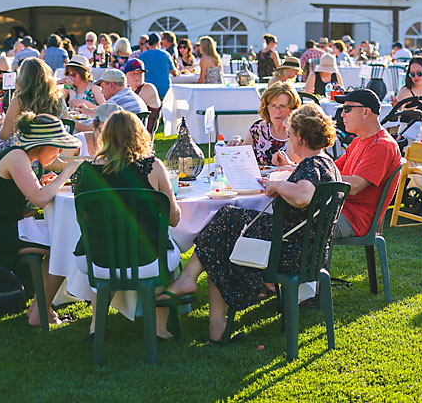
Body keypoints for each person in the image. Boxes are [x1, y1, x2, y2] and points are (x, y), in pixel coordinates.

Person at [161, 104, 342, 342]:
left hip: (288, 251)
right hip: (308, 250)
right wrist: (287, 174)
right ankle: (212, 317)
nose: (288, 137)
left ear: (299, 136)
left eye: (290, 133)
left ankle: (191, 284)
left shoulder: (311, 166)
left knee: (225, 221)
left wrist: (277, 185)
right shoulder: (326, 163)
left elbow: (303, 196)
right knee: (223, 231)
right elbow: (304, 190)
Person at [0, 113, 83, 327]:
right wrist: (67, 172)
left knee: (63, 239)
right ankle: (41, 311)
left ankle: (40, 307)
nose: (58, 153)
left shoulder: (18, 155)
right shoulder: (17, 156)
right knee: (65, 243)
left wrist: (44, 183)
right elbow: (38, 200)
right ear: (42, 144)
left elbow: (32, 193)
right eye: (56, 147)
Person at [72, 109, 182, 338]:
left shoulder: (85, 172)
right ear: (140, 135)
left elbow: (81, 220)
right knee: (169, 252)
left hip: (97, 260)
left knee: (104, 248)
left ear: (105, 136)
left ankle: (96, 325)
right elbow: (174, 219)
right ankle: (159, 328)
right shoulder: (153, 167)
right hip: (148, 259)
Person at [325, 89, 402, 239]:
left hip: (354, 220)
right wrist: (297, 167)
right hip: (339, 210)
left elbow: (354, 186)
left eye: (347, 109)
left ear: (366, 112)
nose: (342, 115)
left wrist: (317, 174)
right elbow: (330, 168)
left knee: (292, 221)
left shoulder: (382, 146)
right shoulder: (358, 141)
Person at [0, 58, 68, 145]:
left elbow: (4, 135)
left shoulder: (19, 101)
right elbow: (65, 123)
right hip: (54, 149)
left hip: (27, 152)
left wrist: (0, 125)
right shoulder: (59, 98)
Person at [234, 81, 301, 166]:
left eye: (282, 106)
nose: (277, 111)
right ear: (266, 107)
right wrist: (237, 141)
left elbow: (295, 161)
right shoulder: (258, 129)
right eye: (273, 106)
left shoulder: (299, 132)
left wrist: (291, 130)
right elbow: (242, 159)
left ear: (293, 108)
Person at [123, 59, 161, 134]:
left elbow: (131, 108)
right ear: (125, 75)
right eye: (133, 73)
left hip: (143, 137)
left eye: (140, 73)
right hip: (128, 132)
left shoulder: (149, 88)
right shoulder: (126, 89)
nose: (137, 76)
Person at [137, 31, 177, 98]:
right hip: (164, 90)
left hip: (148, 90)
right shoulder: (166, 54)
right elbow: (174, 72)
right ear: (159, 42)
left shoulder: (142, 56)